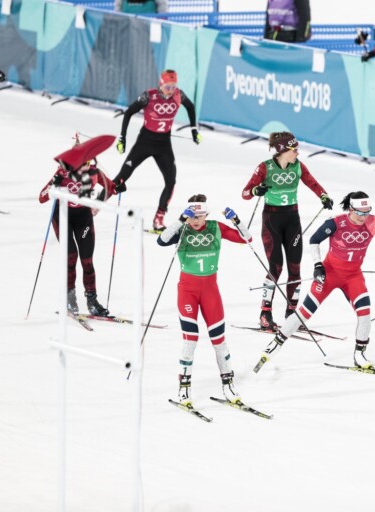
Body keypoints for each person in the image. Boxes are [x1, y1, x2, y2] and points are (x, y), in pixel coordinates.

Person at [253, 192, 375, 373]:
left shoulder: (374, 222)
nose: (364, 217)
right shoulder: (336, 222)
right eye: (359, 213)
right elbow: (314, 240)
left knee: (365, 314)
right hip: (329, 274)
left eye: (367, 212)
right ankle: (275, 344)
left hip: (353, 276)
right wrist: (318, 265)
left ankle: (360, 354)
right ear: (350, 209)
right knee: (304, 313)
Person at [156, 195, 253, 406]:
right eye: (192, 216)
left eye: (199, 216)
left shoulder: (215, 227)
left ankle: (228, 386)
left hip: (210, 291)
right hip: (187, 292)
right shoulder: (182, 229)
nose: (195, 220)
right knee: (190, 340)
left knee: (219, 340)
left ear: (206, 215)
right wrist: (180, 220)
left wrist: (236, 220)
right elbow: (161, 240)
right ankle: (184, 389)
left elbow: (247, 239)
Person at [242, 132, 334, 329]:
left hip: (292, 220)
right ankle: (265, 313)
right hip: (272, 221)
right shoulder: (265, 167)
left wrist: (324, 196)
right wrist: (256, 190)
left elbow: (313, 183)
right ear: (282, 150)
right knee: (276, 268)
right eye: (294, 150)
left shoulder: (298, 166)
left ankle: (292, 313)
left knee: (295, 269)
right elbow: (245, 193)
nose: (297, 153)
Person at [39, 134, 118, 317]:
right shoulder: (62, 173)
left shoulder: (94, 173)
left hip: (83, 218)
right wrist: (53, 187)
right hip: (63, 217)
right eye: (81, 163)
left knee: (87, 261)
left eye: (88, 162)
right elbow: (41, 197)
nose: (85, 166)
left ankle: (92, 301)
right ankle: (70, 298)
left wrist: (99, 203)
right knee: (71, 257)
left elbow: (111, 188)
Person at [111, 70, 200, 232]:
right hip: (144, 142)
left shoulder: (179, 95)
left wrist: (194, 130)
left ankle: (159, 219)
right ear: (161, 84)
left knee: (171, 181)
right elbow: (129, 112)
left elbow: (190, 107)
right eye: (167, 87)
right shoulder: (149, 96)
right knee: (122, 177)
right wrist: (122, 138)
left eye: (173, 87)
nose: (171, 90)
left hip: (163, 145)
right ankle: (94, 205)